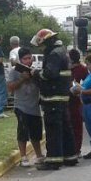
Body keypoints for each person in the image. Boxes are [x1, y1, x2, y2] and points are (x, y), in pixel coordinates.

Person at [30, 28, 78, 170]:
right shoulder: (62, 51)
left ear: (48, 42)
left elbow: (49, 74)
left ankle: (53, 160)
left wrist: (36, 73)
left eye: (43, 45)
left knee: (53, 129)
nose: (42, 48)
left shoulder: (54, 54)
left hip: (52, 97)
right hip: (61, 97)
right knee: (65, 128)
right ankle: (70, 157)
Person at [6, 47, 44, 167]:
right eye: (25, 59)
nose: (28, 61)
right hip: (21, 106)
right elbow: (10, 88)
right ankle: (23, 157)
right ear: (20, 60)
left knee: (36, 134)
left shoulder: (35, 71)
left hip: (35, 108)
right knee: (22, 133)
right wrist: (22, 79)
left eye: (29, 58)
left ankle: (39, 155)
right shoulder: (14, 71)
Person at [68, 49, 88, 157]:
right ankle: (76, 150)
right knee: (76, 126)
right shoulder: (83, 69)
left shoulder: (78, 69)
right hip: (76, 101)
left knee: (74, 125)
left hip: (74, 99)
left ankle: (74, 149)